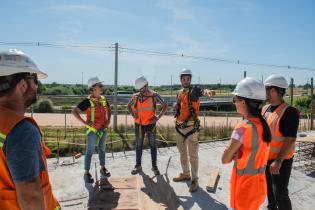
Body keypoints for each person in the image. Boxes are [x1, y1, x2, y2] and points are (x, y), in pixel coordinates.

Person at [0, 49, 60, 209]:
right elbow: (30, 197)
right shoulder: (21, 130)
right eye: (35, 80)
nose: (37, 86)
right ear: (23, 84)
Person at [222, 77, 271, 210]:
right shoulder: (263, 124)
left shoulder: (242, 128)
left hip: (245, 189)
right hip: (259, 186)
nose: (234, 102)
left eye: (235, 100)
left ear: (243, 102)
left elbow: (225, 159)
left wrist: (233, 153)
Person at [172, 68, 215, 193]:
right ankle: (186, 174)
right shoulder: (179, 93)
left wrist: (208, 92)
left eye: (187, 79)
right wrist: (176, 107)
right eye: (183, 79)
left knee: (193, 155)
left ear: (190, 79)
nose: (185, 81)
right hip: (179, 128)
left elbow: (203, 91)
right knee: (182, 153)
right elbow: (179, 107)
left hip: (191, 129)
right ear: (181, 80)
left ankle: (195, 179)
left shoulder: (194, 91)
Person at [263, 75, 299, 210]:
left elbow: (290, 139)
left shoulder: (290, 112)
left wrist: (278, 161)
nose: (266, 93)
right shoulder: (265, 108)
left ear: (276, 91)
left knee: (280, 193)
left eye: (268, 90)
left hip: (281, 161)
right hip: (266, 159)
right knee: (269, 189)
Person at [72, 76, 111, 183]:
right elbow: (74, 111)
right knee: (89, 151)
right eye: (100, 85)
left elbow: (109, 109)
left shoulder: (103, 99)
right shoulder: (87, 102)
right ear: (93, 88)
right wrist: (85, 123)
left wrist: (108, 120)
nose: (102, 87)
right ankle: (86, 173)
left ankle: (103, 168)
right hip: (92, 131)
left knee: (102, 149)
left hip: (103, 130)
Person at [127, 76, 168, 176]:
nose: (141, 91)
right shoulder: (136, 96)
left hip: (150, 125)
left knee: (153, 146)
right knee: (138, 145)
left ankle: (154, 167)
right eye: (139, 89)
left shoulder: (154, 95)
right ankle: (138, 165)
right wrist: (133, 115)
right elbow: (128, 105)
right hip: (139, 125)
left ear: (146, 85)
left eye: (142, 88)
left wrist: (157, 117)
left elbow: (165, 105)